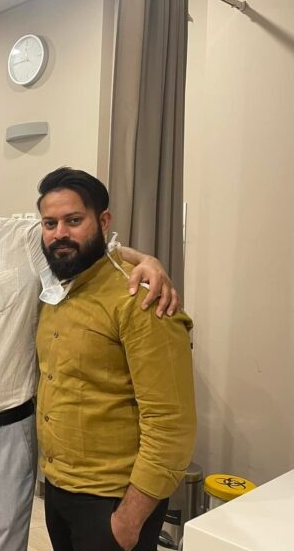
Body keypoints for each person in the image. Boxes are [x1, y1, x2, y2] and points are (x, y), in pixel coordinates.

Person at [0, 147, 180, 551]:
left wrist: (149, 260)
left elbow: (90, 248)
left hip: (1, 433)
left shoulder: (24, 239)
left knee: (1, 544)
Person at [35, 167, 196, 551]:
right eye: (50, 223)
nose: (60, 233)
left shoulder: (141, 299)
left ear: (104, 221)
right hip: (59, 489)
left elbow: (171, 425)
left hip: (114, 499)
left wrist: (129, 519)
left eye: (74, 220)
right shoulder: (56, 290)